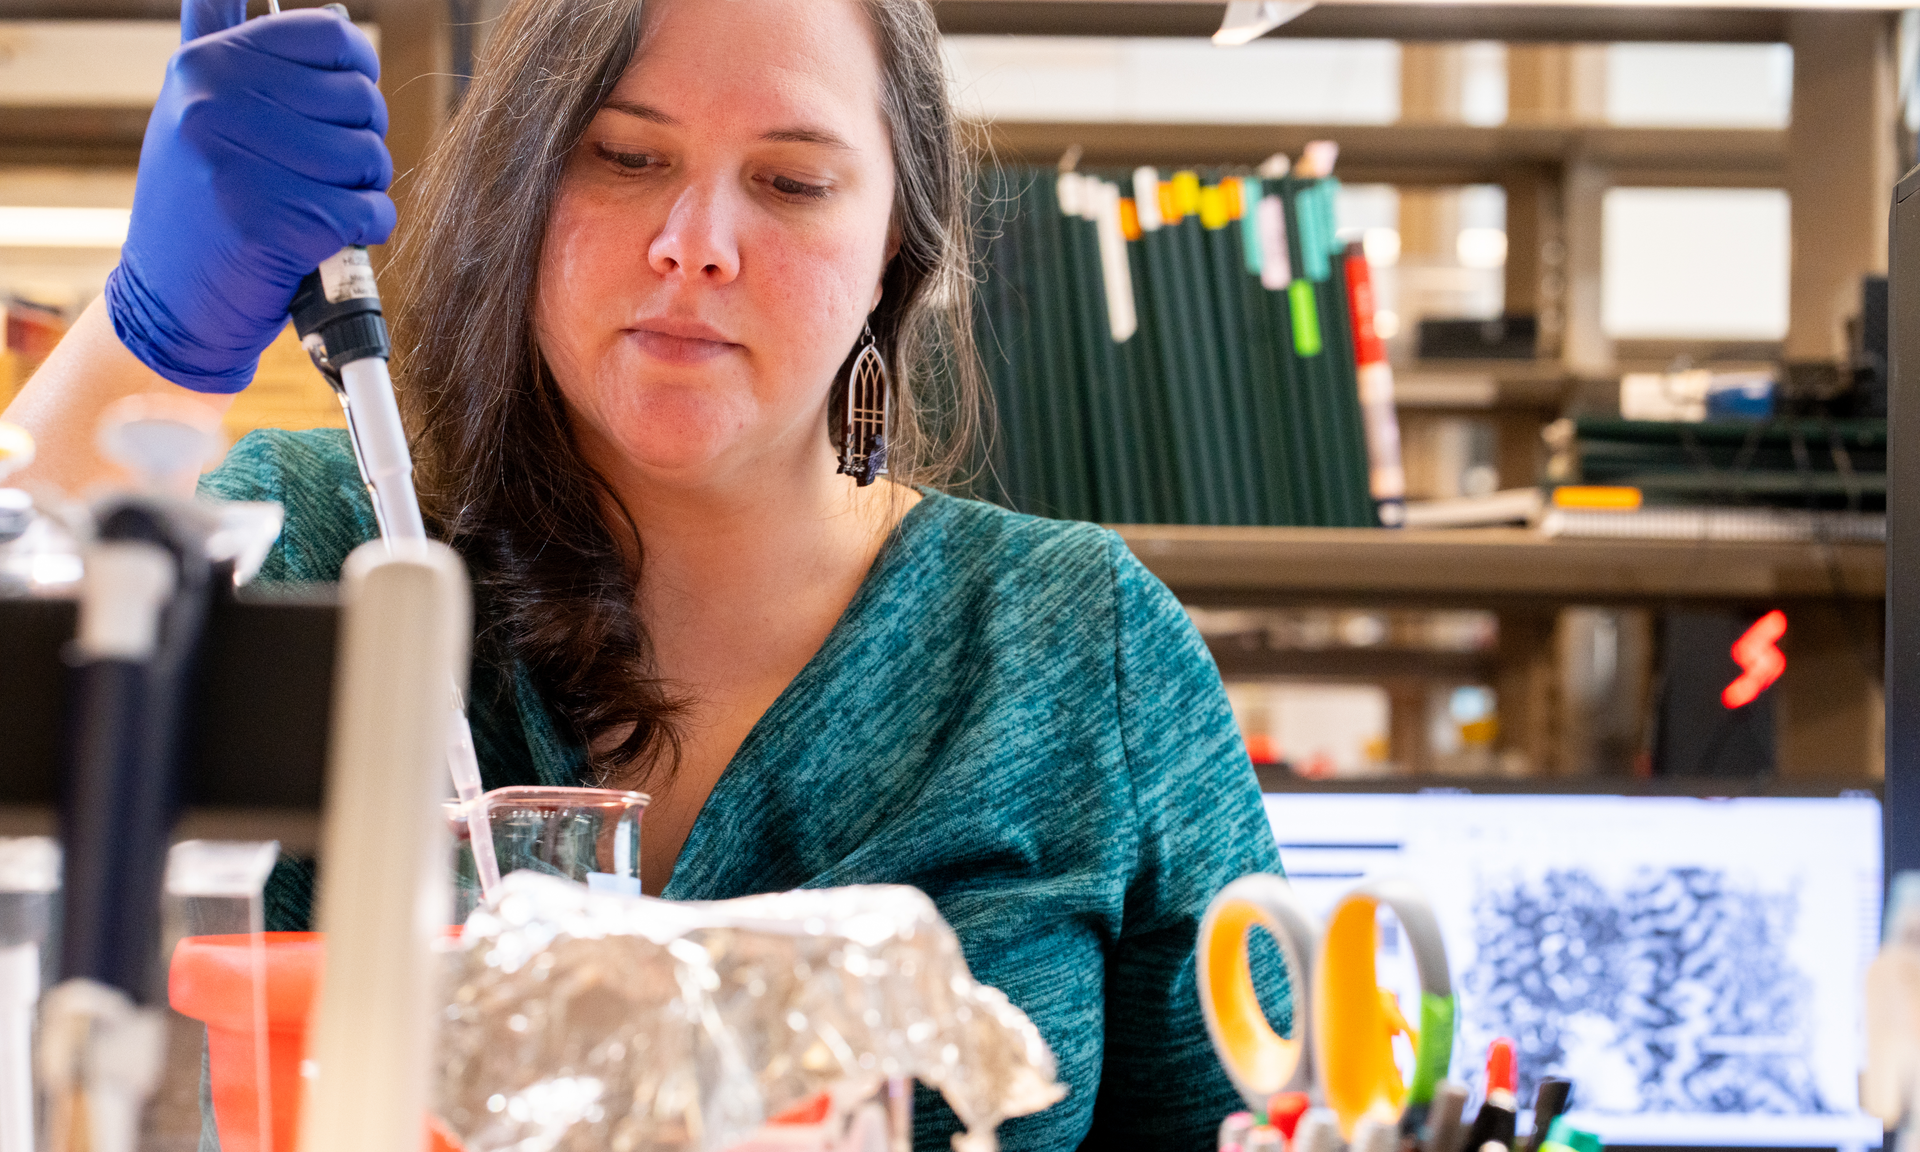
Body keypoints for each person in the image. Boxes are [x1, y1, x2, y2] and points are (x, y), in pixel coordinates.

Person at [5, 0, 1289, 1145]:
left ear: (900, 243)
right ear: (523, 188)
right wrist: (147, 334)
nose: (696, 242)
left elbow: (1270, 1120)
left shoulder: (1076, 646)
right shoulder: (322, 541)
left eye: (791, 182)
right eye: (626, 157)